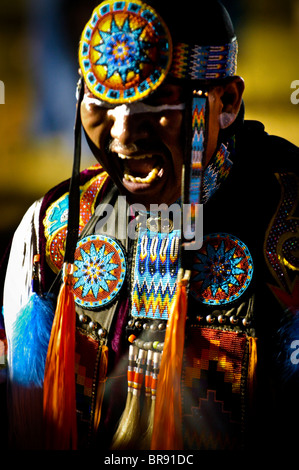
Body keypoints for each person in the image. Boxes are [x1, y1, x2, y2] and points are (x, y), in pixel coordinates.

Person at [1, 0, 299, 451]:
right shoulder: (52, 231)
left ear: (229, 102)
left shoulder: (288, 218)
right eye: (102, 104)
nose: (122, 134)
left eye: (157, 103)